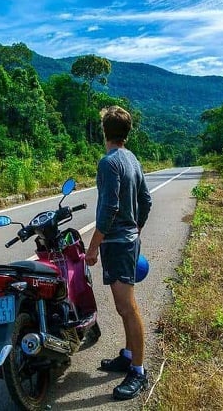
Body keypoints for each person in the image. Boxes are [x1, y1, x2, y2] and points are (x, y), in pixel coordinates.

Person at [85, 105, 152, 401]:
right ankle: (127, 355)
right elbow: (146, 200)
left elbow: (109, 209)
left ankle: (138, 371)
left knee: (127, 307)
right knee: (123, 306)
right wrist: (136, 230)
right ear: (126, 132)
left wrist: (93, 246)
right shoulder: (133, 159)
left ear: (104, 132)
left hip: (116, 244)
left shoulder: (108, 162)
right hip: (127, 241)